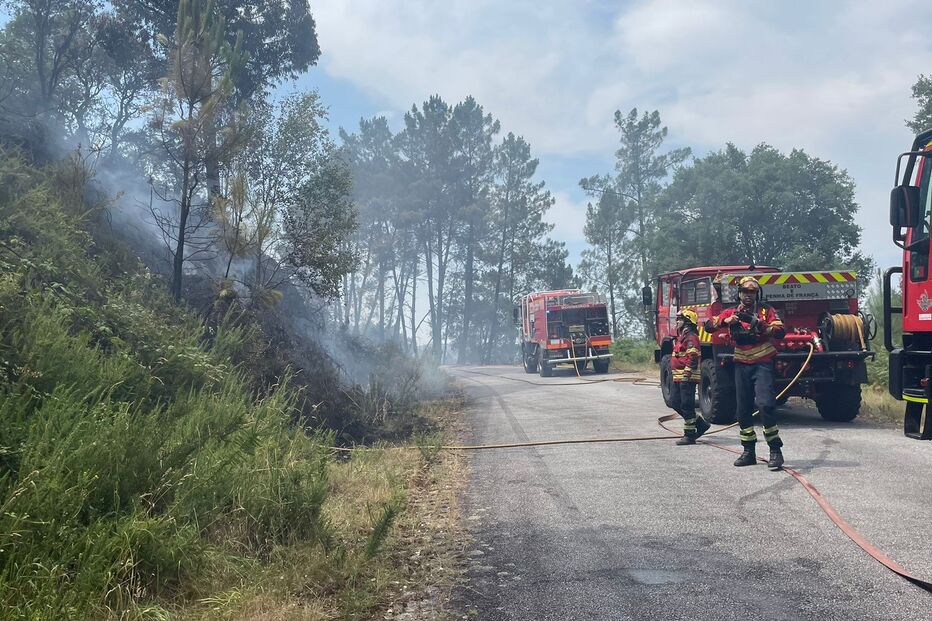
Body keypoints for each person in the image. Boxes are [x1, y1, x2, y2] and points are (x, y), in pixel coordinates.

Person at [704, 276, 787, 469]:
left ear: (756, 294)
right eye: (745, 292)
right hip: (741, 362)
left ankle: (775, 450)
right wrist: (726, 321)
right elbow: (708, 325)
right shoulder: (731, 312)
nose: (748, 296)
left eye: (752, 293)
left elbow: (780, 330)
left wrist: (760, 324)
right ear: (739, 293)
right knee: (743, 409)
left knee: (766, 404)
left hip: (763, 362)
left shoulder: (766, 311)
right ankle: (748, 451)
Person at [670, 309, 711, 445]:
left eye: (679, 319)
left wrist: (687, 374)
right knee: (675, 402)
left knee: (687, 405)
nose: (677, 322)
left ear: (687, 321)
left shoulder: (691, 337)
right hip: (678, 376)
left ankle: (689, 435)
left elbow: (693, 358)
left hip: (687, 377)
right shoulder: (683, 336)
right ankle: (700, 424)